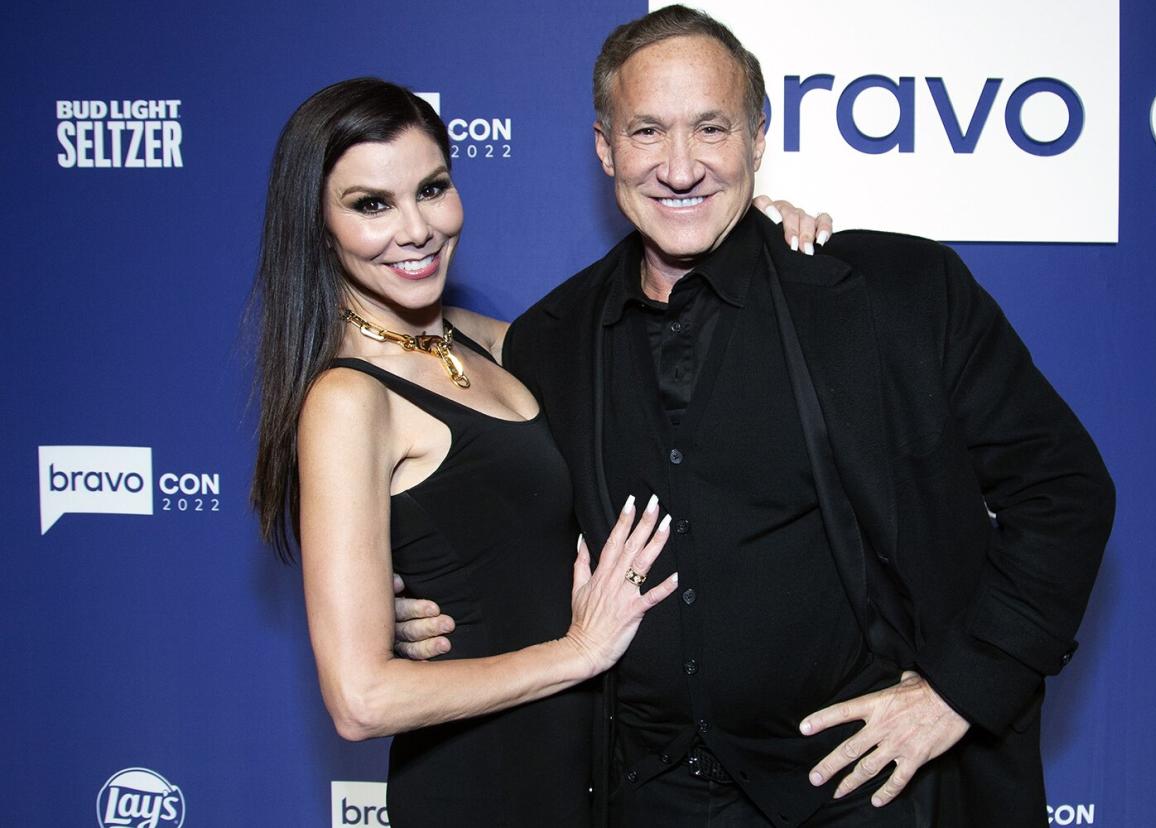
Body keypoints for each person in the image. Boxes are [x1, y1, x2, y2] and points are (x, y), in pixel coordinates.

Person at [401, 6, 1115, 827]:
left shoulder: (897, 294)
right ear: (605, 147)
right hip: (639, 797)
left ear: (757, 137)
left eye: (711, 128)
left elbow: (1063, 490)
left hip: (864, 796)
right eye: (646, 132)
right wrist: (411, 607)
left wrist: (964, 685)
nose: (679, 167)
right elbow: (506, 533)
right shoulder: (548, 343)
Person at [249, 77, 831, 827]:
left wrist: (742, 227)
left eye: (432, 188)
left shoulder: (482, 338)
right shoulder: (346, 401)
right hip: (482, 784)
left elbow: (636, 320)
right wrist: (579, 652)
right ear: (316, 225)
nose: (417, 228)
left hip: (584, 765)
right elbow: (362, 701)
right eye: (371, 205)